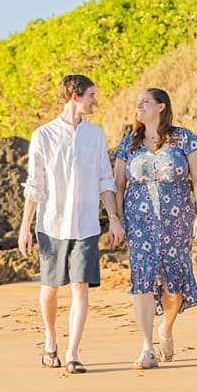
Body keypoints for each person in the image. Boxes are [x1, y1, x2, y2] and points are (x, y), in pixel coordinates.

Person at [18, 74, 125, 374]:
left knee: (81, 286)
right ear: (75, 96)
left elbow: (105, 180)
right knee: (50, 287)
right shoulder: (43, 135)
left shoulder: (95, 135)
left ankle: (73, 352)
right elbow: (35, 185)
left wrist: (113, 219)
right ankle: (50, 339)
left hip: (87, 224)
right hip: (51, 223)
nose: (95, 101)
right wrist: (25, 227)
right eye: (91, 95)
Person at [113, 88, 197, 370]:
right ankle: (146, 347)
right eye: (137, 104)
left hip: (177, 220)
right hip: (138, 222)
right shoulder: (129, 142)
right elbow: (118, 185)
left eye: (145, 103)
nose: (139, 107)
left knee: (174, 280)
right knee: (142, 278)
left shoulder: (183, 138)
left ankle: (166, 327)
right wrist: (116, 219)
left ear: (161, 107)